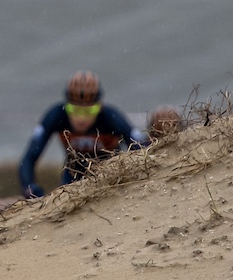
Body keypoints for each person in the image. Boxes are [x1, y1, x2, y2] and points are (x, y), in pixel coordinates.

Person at [18, 71, 147, 198]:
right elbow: (29, 157)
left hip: (111, 178)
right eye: (74, 109)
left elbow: (141, 149)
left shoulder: (112, 118)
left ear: (100, 107)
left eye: (88, 111)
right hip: (71, 179)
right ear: (66, 105)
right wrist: (30, 188)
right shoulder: (56, 115)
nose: (81, 118)